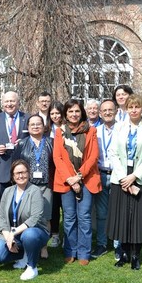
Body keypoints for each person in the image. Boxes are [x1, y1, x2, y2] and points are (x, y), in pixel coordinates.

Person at [106, 94, 142, 270]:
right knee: (122, 218)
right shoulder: (119, 127)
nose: (134, 110)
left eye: (137, 107)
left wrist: (134, 176)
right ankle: (124, 253)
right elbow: (112, 152)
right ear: (126, 109)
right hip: (121, 177)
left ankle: (136, 255)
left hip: (141, 178)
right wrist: (123, 177)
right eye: (131, 107)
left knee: (138, 219)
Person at [53, 99, 101, 265]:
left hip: (86, 179)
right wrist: (70, 179)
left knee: (84, 217)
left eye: (77, 111)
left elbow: (93, 157)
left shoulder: (91, 131)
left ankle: (84, 252)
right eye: (70, 111)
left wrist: (79, 176)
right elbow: (57, 158)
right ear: (65, 113)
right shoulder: (60, 132)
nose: (74, 114)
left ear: (82, 113)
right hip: (66, 181)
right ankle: (70, 250)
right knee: (69, 217)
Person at [0, 160, 50, 281]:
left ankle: (32, 266)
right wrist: (8, 237)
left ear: (29, 173)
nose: (20, 176)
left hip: (35, 232)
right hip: (13, 234)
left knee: (29, 235)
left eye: (23, 172)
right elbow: (1, 216)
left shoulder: (35, 191)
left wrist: (13, 233)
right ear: (12, 176)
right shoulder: (7, 191)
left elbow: (35, 218)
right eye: (17, 173)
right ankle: (24, 254)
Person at [13, 114, 53, 259]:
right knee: (27, 216)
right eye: (32, 125)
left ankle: (43, 247)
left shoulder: (51, 142)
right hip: (28, 187)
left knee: (45, 217)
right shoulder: (22, 144)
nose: (36, 127)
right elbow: (16, 164)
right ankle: (27, 246)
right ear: (28, 128)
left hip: (45, 186)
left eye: (38, 124)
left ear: (44, 127)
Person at [0, 91, 30, 226]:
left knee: (22, 202)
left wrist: (24, 142)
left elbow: (33, 138)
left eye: (12, 101)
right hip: (2, 167)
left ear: (18, 103)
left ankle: (20, 228)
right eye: (6, 101)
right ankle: (0, 229)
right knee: (2, 202)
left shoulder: (28, 118)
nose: (9, 104)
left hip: (22, 166)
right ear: (2, 103)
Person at [91, 98, 123, 260]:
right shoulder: (95, 131)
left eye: (110, 110)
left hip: (118, 176)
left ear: (116, 111)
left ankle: (118, 246)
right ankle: (102, 244)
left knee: (117, 212)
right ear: (100, 114)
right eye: (104, 111)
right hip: (101, 175)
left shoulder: (123, 129)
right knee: (102, 213)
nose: (107, 113)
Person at [47, 100, 65, 248]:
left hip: (65, 171)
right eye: (52, 113)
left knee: (67, 207)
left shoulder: (67, 129)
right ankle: (55, 235)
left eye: (57, 113)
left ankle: (67, 235)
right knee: (53, 206)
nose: (55, 116)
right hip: (51, 172)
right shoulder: (47, 130)